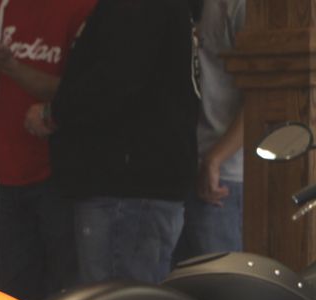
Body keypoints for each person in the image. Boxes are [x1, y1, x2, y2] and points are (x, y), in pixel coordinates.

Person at [26, 0, 200, 285]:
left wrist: (54, 113)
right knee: (126, 299)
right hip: (139, 184)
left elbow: (115, 80)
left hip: (129, 187)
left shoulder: (139, 6)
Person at [0, 0, 97, 300]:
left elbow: (79, 91)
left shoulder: (83, 8)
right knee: (15, 298)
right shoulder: (4, 6)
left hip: (61, 178)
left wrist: (10, 66)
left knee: (65, 297)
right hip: (9, 172)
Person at [175, 0, 247, 261]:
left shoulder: (238, 6)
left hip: (221, 177)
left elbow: (262, 95)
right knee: (172, 283)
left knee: (220, 281)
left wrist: (216, 158)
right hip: (174, 171)